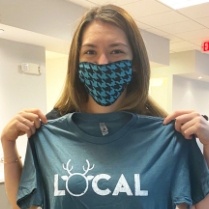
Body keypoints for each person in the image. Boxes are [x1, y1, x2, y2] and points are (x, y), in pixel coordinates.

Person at [1, 4, 209, 209]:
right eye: (90, 52)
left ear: (135, 62)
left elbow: (202, 204)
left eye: (116, 51)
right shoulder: (52, 130)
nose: (102, 63)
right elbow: (24, 203)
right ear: (77, 62)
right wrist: (8, 144)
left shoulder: (166, 136)